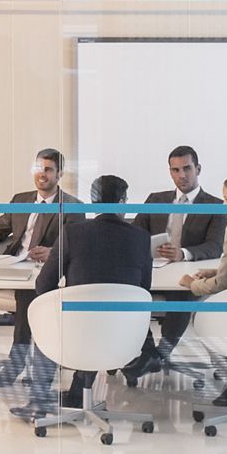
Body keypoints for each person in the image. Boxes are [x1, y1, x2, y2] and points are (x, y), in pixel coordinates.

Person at [25, 176, 152, 414]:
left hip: (78, 332)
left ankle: (38, 401)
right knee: (94, 320)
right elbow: (144, 289)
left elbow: (43, 285)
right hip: (124, 336)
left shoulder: (72, 233)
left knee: (52, 317)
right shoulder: (141, 238)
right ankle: (76, 394)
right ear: (122, 202)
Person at [0, 148, 77, 376]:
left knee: (26, 293)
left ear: (60, 174)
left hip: (42, 271)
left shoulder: (73, 206)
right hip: (14, 263)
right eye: (38, 168)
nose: (42, 174)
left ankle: (16, 362)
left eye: (48, 170)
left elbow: (76, 245)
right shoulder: (20, 200)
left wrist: (53, 252)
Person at [140, 144, 226, 261]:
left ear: (198, 169)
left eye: (187, 168)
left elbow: (215, 246)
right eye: (176, 170)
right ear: (170, 172)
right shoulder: (154, 200)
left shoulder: (216, 206)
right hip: (155, 265)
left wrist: (182, 254)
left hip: (191, 267)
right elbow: (135, 233)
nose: (182, 176)